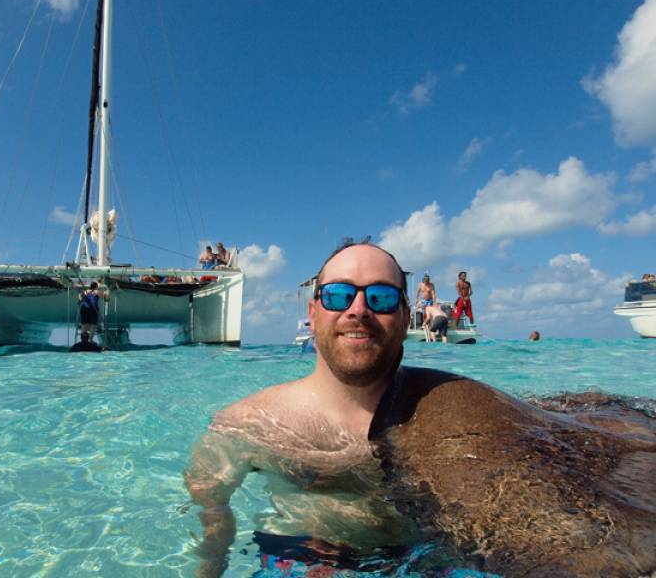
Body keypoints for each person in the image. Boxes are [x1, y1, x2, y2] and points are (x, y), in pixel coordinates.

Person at [184, 242, 656, 577]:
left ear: (406, 317)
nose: (359, 309)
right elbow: (212, 516)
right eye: (338, 295)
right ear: (314, 312)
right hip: (309, 555)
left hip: (428, 556)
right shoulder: (247, 424)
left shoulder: (456, 409)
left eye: (382, 297)